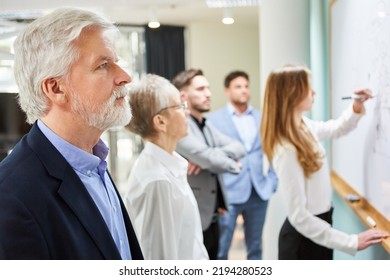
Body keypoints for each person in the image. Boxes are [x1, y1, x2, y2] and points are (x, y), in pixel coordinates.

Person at [0, 7, 143, 260]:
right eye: (103, 65)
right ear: (55, 88)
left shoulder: (93, 161)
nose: (125, 77)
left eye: (116, 63)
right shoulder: (11, 197)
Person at [260, 64, 389, 259]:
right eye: (307, 87)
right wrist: (352, 241)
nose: (313, 92)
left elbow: (335, 128)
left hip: (317, 232)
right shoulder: (286, 149)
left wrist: (356, 107)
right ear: (292, 94)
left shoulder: (302, 126)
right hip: (303, 242)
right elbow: (299, 217)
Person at [124, 74, 208, 260]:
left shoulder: (170, 166)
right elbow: (159, 261)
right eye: (180, 106)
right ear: (160, 121)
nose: (186, 111)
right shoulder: (158, 182)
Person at [173, 69, 246, 259]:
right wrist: (208, 158)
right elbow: (208, 157)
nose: (208, 93)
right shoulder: (180, 127)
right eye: (200, 89)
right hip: (193, 217)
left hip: (214, 214)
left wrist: (207, 157)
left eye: (208, 88)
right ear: (183, 96)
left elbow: (239, 147)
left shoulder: (206, 123)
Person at [207, 70, 278, 260]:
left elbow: (274, 149)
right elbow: (210, 154)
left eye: (246, 86)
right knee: (221, 249)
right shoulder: (213, 120)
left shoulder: (262, 117)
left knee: (255, 248)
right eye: (238, 87)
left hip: (258, 191)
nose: (244, 90)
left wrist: (272, 181)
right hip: (229, 192)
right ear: (227, 91)